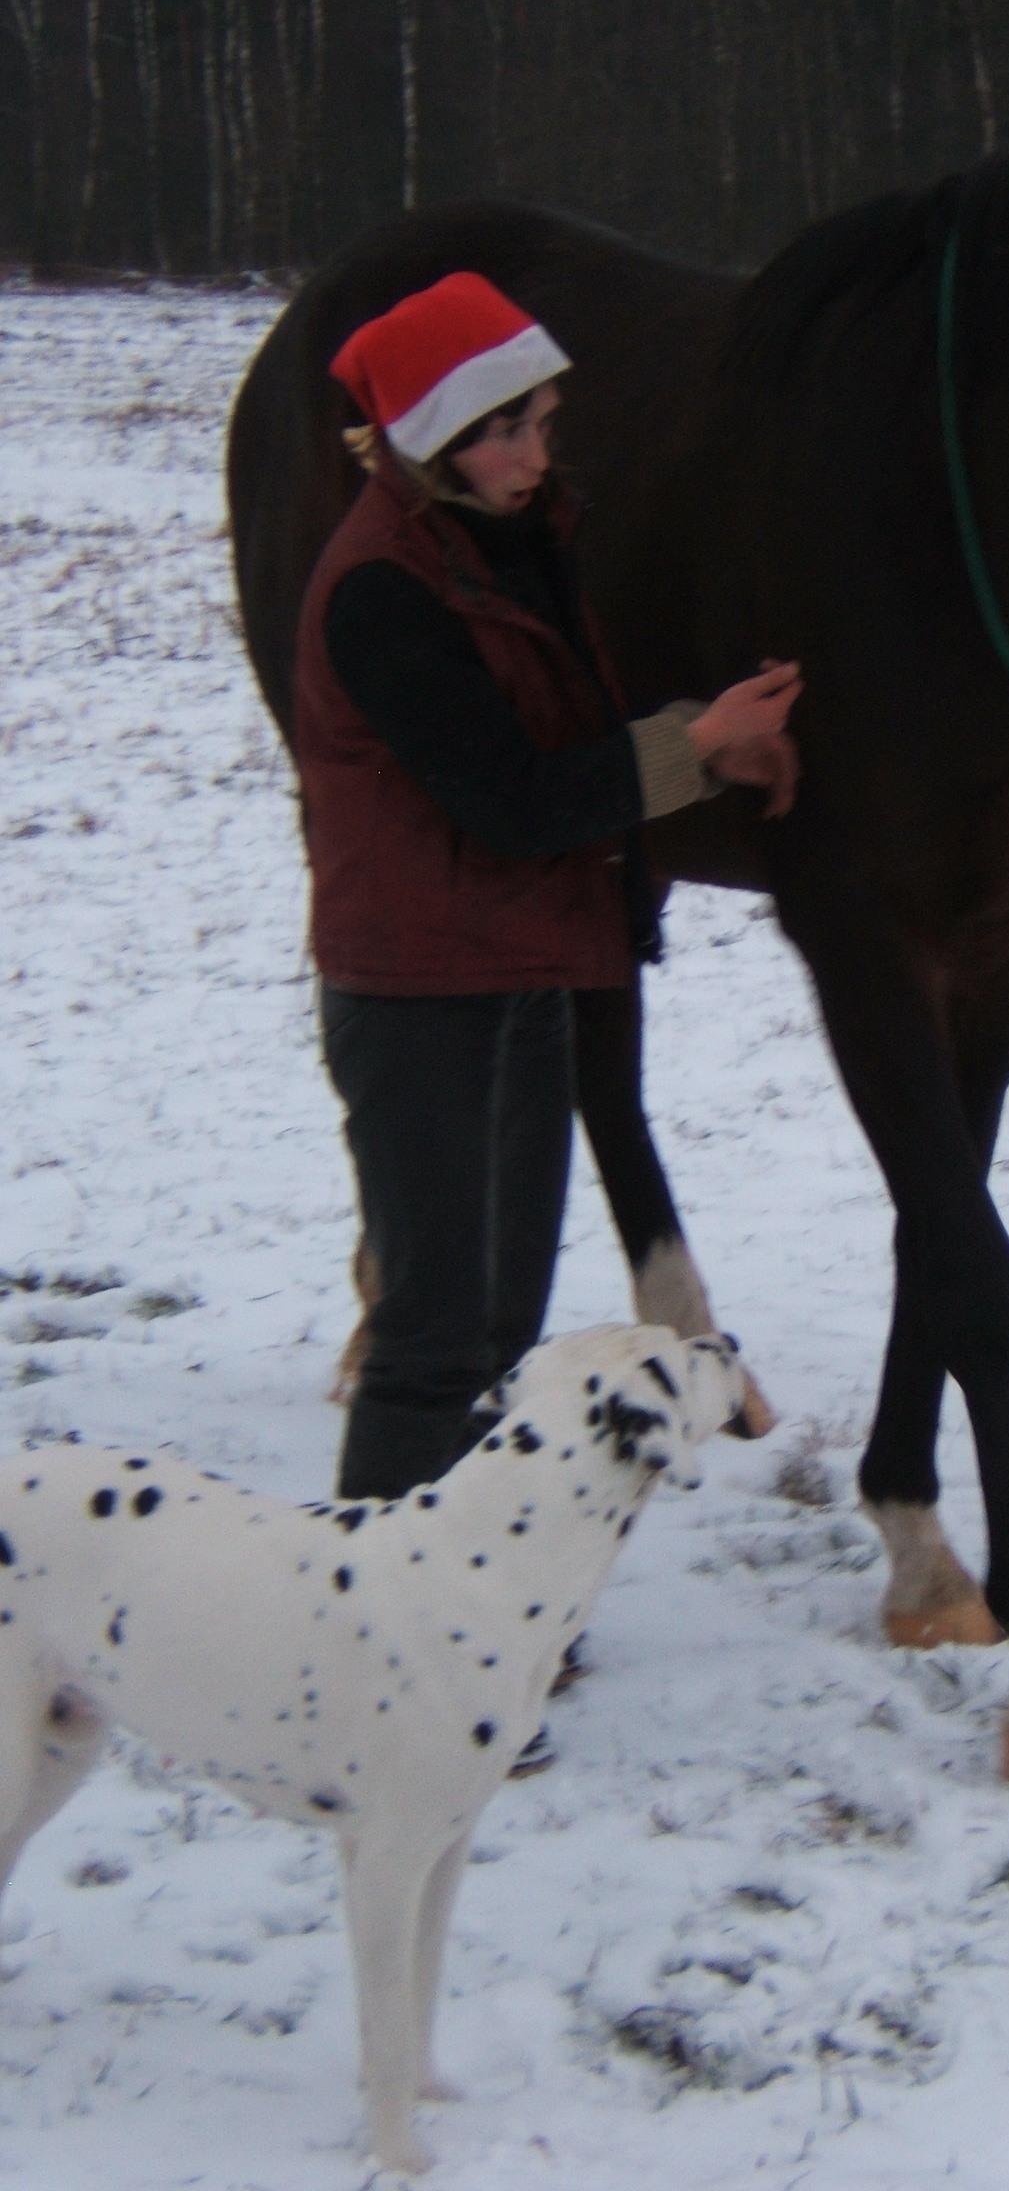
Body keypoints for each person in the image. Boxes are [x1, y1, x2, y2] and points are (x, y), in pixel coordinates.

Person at [295, 271, 800, 1518]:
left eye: (541, 422)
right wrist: (697, 741)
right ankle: (377, 1598)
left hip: (523, 974)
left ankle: (455, 1581)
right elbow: (513, 799)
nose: (533, 453)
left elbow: (558, 746)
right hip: (417, 997)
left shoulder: (512, 548)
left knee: (498, 1325)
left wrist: (706, 751)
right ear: (430, 439)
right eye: (503, 430)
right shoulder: (381, 588)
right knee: (430, 1334)